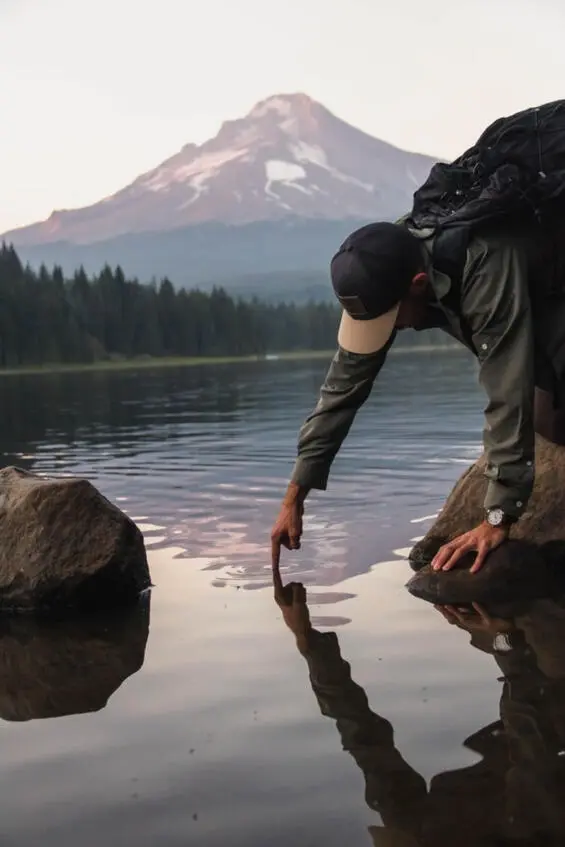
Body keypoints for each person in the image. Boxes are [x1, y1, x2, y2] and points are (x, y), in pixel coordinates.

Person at [271, 217, 565, 574]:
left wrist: (497, 520)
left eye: (391, 318)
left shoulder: (484, 264)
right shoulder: (385, 262)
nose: (391, 329)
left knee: (548, 421)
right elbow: (342, 388)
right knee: (545, 420)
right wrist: (294, 497)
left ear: (418, 284)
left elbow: (508, 387)